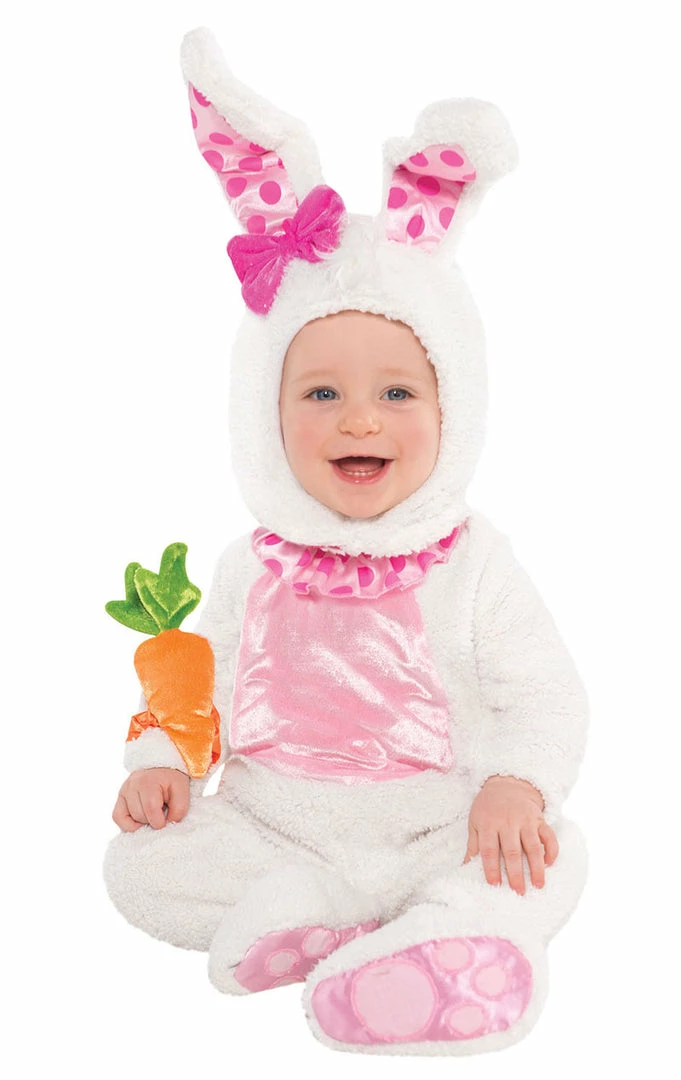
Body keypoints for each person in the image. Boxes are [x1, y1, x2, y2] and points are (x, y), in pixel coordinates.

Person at [103, 26, 589, 1056]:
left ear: (454, 408)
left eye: (398, 393)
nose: (359, 418)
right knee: (138, 864)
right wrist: (159, 763)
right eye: (320, 393)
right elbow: (200, 684)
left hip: (430, 827)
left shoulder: (474, 563)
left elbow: (544, 694)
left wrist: (515, 784)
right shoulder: (250, 566)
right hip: (272, 829)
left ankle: (441, 939)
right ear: (263, 413)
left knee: (550, 852)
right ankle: (316, 919)